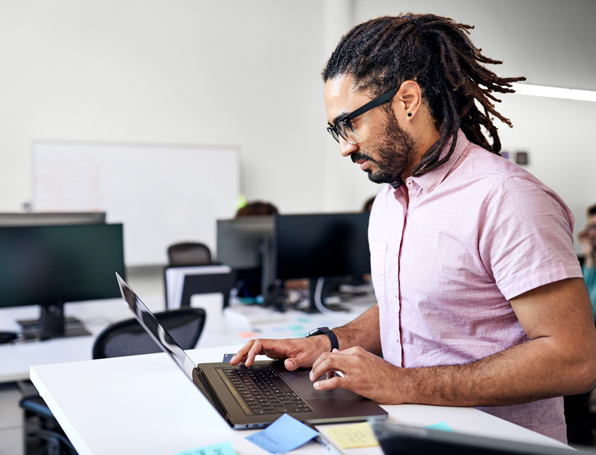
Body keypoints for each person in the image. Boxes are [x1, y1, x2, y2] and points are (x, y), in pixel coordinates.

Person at [231, 14, 596, 442]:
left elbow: (574, 360)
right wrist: (330, 341)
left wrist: (403, 384)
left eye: (351, 123)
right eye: (336, 130)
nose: (346, 146)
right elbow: (411, 307)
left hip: (495, 445)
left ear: (407, 100)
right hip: (411, 431)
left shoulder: (507, 197)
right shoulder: (390, 199)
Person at [579, 204, 596, 320]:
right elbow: (584, 306)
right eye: (590, 227)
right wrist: (589, 257)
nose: (591, 233)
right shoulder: (581, 263)